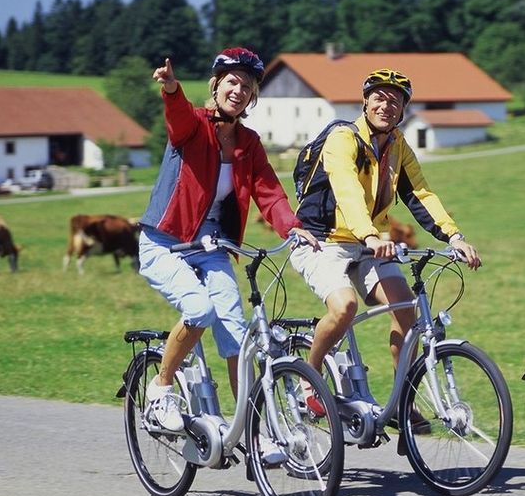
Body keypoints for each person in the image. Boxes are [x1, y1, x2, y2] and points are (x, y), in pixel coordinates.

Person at [290, 68, 481, 432]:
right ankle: (308, 379)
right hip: (320, 240)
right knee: (345, 306)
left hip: (367, 244)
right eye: (378, 96)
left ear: (404, 110)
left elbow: (420, 194)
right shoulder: (341, 137)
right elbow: (345, 188)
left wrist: (454, 237)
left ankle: (399, 402)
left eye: (395, 100)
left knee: (407, 312)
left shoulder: (397, 146)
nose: (386, 105)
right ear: (364, 101)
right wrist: (370, 236)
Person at [138, 47, 317, 431]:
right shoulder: (193, 126)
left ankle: (254, 432)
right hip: (163, 242)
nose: (238, 90)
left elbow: (269, 192)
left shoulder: (248, 143)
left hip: (211, 246)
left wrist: (294, 228)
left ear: (253, 98)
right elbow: (178, 117)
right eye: (232, 82)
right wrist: (171, 90)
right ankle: (161, 388)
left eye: (247, 86)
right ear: (217, 85)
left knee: (238, 337)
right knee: (200, 310)